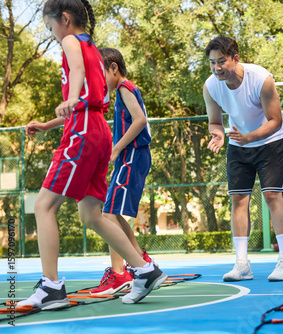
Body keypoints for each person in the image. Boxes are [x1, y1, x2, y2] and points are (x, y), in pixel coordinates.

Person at [20, 0, 166, 309]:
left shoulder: (73, 41)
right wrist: (51, 122)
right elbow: (93, 100)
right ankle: (144, 269)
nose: (52, 34)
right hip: (98, 132)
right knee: (91, 214)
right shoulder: (93, 51)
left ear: (66, 19)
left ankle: (51, 287)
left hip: (82, 134)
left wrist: (71, 98)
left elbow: (75, 77)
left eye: (50, 27)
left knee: (44, 206)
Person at [203, 35, 283, 282]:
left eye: (221, 61)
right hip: (238, 144)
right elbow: (215, 122)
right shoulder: (211, 86)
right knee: (238, 200)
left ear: (235, 59)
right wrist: (219, 135)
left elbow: (275, 120)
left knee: (272, 195)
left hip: (269, 142)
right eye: (212, 63)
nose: (217, 68)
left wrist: (249, 137)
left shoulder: (261, 79)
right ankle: (242, 263)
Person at [88, 48, 153, 295]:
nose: (97, 80)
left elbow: (139, 121)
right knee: (111, 213)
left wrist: (115, 149)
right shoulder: (121, 91)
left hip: (132, 155)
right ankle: (135, 263)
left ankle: (126, 271)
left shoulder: (125, 88)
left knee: (110, 214)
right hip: (131, 156)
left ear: (113, 68)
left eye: (100, 73)